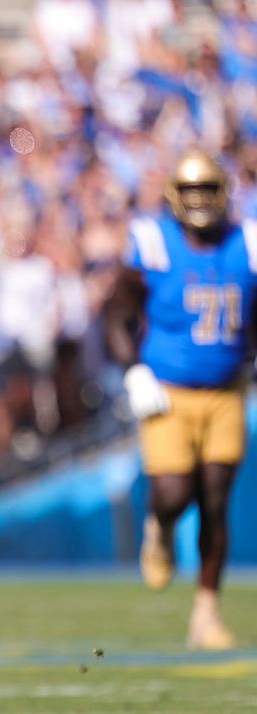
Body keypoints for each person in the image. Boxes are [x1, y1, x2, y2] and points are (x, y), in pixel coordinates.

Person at [105, 149, 257, 651]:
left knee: (215, 501)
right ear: (173, 195)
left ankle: (206, 614)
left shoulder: (248, 243)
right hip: (168, 391)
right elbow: (116, 316)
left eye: (207, 190)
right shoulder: (152, 242)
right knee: (174, 493)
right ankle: (159, 525)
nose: (199, 201)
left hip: (226, 392)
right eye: (190, 191)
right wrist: (134, 372)